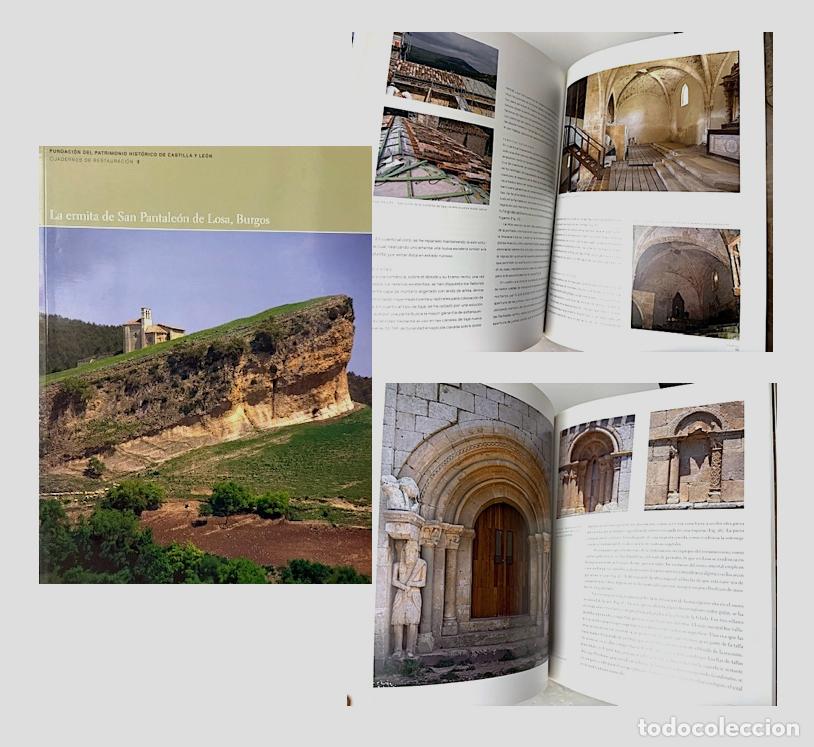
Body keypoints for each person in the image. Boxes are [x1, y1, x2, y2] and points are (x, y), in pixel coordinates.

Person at [391, 539, 426, 658]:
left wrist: (412, 584)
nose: (409, 554)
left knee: (412, 623)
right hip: (401, 595)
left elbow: (423, 582)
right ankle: (397, 649)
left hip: (414, 595)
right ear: (404, 552)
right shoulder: (397, 565)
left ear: (416, 552)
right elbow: (393, 580)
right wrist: (404, 586)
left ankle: (410, 649)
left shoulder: (421, 564)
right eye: (407, 551)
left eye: (412, 552)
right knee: (397, 621)